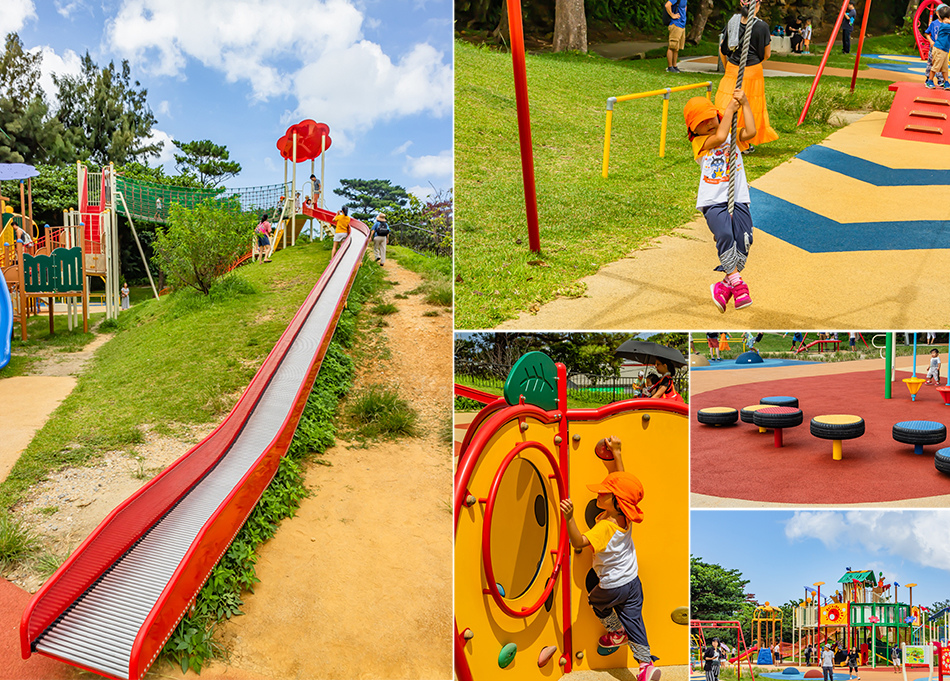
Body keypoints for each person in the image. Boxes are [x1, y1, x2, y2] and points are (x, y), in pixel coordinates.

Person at [559, 438, 661, 681]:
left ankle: (616, 632)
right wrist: (616, 453)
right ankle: (646, 666)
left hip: (611, 587)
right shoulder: (625, 514)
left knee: (596, 603)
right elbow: (622, 482)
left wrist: (570, 518)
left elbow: (579, 542)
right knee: (635, 621)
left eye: (604, 493)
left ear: (616, 502)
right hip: (633, 583)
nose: (600, 492)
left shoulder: (605, 526)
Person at [684, 91, 757, 311]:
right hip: (713, 201)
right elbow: (719, 136)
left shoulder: (731, 134)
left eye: (710, 118)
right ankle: (738, 285)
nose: (708, 124)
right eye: (701, 122)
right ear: (693, 130)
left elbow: (751, 132)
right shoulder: (701, 142)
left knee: (745, 241)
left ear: (717, 114)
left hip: (739, 197)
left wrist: (744, 104)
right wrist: (727, 112)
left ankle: (724, 285)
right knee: (725, 235)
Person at [717, 0, 778, 154]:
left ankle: (724, 136)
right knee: (749, 107)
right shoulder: (762, 26)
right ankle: (745, 141)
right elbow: (767, 54)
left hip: (732, 69)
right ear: (757, 5)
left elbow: (722, 50)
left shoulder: (733, 22)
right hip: (753, 71)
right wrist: (755, 63)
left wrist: (728, 69)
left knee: (725, 105)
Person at [926, 5, 950, 89]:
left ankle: (946, 82)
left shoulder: (947, 25)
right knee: (936, 66)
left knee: (945, 68)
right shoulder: (945, 26)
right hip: (939, 49)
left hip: (945, 50)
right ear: (946, 18)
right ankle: (929, 81)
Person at [665, 0, 687, 73]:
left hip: (682, 25)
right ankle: (670, 67)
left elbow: (684, 8)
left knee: (676, 48)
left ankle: (675, 66)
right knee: (672, 46)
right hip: (675, 24)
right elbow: (667, 5)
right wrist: (672, 15)